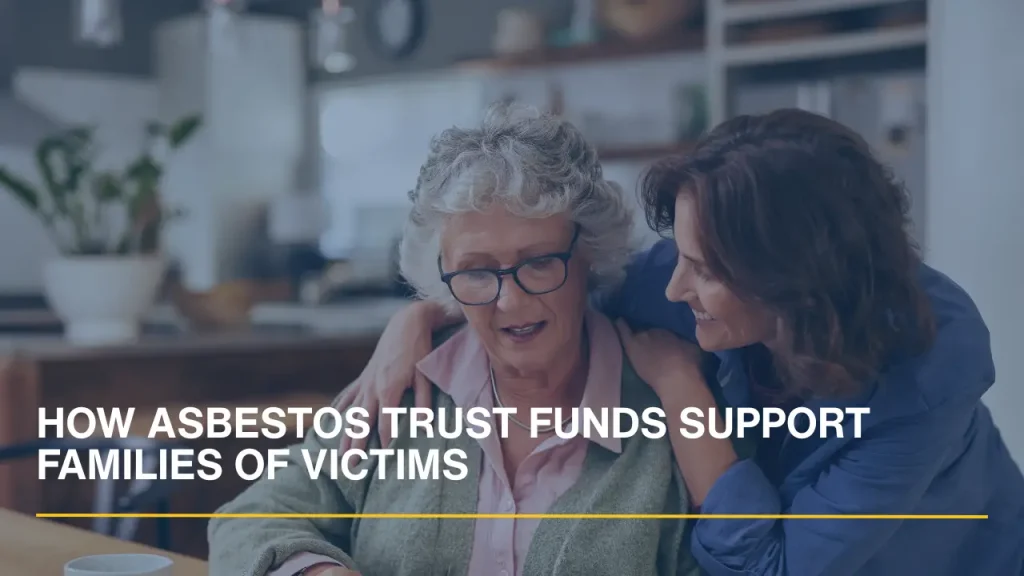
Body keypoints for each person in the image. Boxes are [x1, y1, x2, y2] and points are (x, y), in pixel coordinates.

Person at [335, 108, 1024, 575]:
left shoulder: (928, 373)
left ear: (788, 285)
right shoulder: (677, 277)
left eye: (702, 271)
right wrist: (415, 322)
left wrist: (680, 389)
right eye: (679, 255)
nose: (672, 288)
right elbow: (537, 285)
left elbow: (769, 568)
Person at [207, 105, 711, 576]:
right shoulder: (399, 390)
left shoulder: (676, 418)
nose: (509, 301)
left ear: (589, 254)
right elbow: (250, 518)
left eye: (538, 262)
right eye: (475, 272)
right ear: (441, 275)